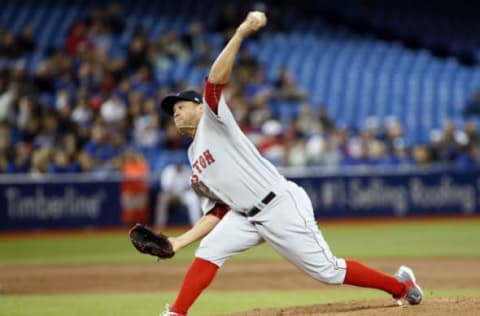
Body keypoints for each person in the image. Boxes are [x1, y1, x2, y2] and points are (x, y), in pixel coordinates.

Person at [158, 12, 423, 316]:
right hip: (244, 216)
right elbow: (217, 211)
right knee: (209, 250)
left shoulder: (215, 122)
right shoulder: (193, 157)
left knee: (328, 272)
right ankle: (176, 312)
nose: (175, 113)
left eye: (180, 106)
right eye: (172, 111)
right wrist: (179, 241)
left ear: (199, 108)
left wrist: (241, 33)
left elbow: (215, 83)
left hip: (279, 204)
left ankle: (401, 285)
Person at [155, 162, 202, 227]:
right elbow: (166, 189)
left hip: (183, 195)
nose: (179, 165)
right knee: (162, 198)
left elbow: (191, 187)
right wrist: (174, 196)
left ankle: (196, 225)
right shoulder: (168, 171)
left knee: (193, 198)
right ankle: (159, 226)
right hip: (171, 195)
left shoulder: (187, 170)